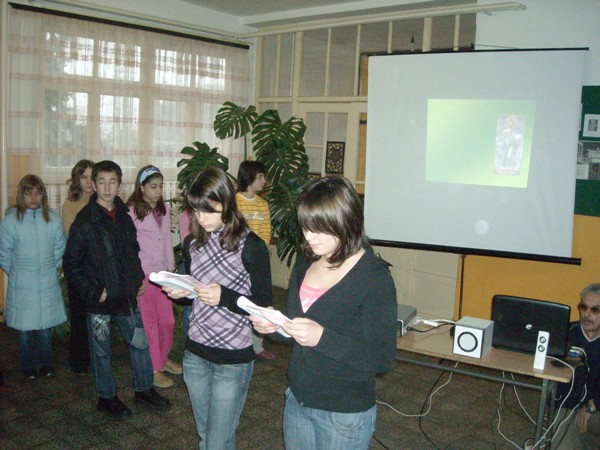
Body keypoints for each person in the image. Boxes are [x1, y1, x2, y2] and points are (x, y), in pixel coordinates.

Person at [250, 176, 398, 450]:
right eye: (306, 226)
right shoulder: (306, 260)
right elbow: (297, 328)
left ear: (345, 222)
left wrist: (322, 337)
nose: (309, 236)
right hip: (298, 398)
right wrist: (276, 326)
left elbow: (381, 358)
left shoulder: (373, 277)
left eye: (318, 228)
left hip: (343, 412)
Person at [164, 167, 272, 449]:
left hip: (232, 359)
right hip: (196, 354)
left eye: (209, 210)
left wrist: (224, 297)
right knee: (209, 438)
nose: (201, 218)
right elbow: (196, 294)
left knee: (216, 441)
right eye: (196, 210)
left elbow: (263, 304)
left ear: (226, 202)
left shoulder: (251, 245)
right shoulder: (192, 243)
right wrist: (182, 294)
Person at [63, 160, 169, 418]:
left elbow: (132, 250)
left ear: (120, 185)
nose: (107, 188)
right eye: (101, 182)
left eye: (112, 182)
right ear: (93, 184)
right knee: (101, 351)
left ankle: (144, 388)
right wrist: (93, 291)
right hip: (99, 299)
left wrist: (137, 278)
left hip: (126, 296)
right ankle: (107, 397)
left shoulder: (123, 215)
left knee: (140, 344)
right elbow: (72, 263)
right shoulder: (85, 221)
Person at [0, 175, 67, 380]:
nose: (33, 197)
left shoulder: (52, 219)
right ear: (22, 195)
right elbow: (4, 253)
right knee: (25, 330)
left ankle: (45, 364)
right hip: (22, 283)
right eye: (29, 193)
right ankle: (28, 367)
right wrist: (18, 272)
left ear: (43, 195)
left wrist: (49, 267)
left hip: (47, 281)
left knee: (45, 328)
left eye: (38, 193)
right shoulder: (11, 221)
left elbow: (60, 247)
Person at [127, 165, 180, 389]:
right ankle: (154, 368)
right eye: (153, 187)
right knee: (150, 322)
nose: (158, 191)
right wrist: (136, 276)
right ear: (141, 187)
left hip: (162, 274)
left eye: (160, 186)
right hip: (144, 275)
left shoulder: (163, 209)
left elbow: (167, 241)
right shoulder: (132, 211)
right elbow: (129, 248)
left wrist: (171, 270)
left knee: (167, 321)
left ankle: (162, 357)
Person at [236, 160, 276, 361]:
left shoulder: (262, 204)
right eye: (261, 176)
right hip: (239, 260)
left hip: (258, 260)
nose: (264, 181)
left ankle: (257, 345)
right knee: (241, 299)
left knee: (260, 300)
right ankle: (240, 342)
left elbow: (266, 231)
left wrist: (260, 252)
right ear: (250, 177)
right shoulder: (234, 202)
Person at [554, 283, 600, 449]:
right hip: (567, 407)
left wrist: (593, 405)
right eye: (583, 307)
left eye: (595, 310)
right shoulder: (565, 333)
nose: (587, 314)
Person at [62, 159, 94, 375]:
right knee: (80, 317)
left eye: (92, 177)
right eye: (84, 177)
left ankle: (96, 356)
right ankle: (78, 360)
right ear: (77, 179)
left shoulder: (101, 202)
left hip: (98, 269)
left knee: (96, 318)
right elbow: (72, 238)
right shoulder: (70, 205)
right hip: (79, 269)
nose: (89, 182)